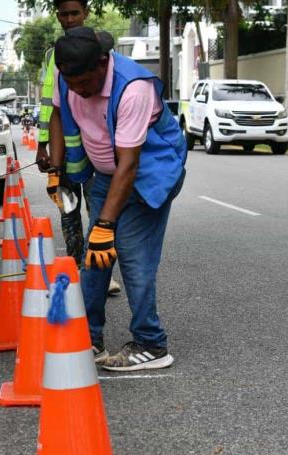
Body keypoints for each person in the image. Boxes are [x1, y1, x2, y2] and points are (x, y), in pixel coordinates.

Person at [48, 27, 187, 370]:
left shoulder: (133, 89)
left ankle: (151, 343)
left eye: (85, 84)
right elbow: (56, 115)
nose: (79, 92)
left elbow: (130, 164)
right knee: (94, 257)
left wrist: (106, 223)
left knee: (130, 253)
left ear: (102, 63)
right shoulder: (67, 74)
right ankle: (87, 336)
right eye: (73, 84)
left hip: (149, 174)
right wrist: (56, 169)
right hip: (109, 174)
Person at [36, 0, 121, 296]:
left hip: (97, 149)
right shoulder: (53, 55)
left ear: (85, 13)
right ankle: (74, 268)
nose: (69, 18)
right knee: (68, 209)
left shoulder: (102, 48)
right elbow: (50, 105)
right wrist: (43, 145)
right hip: (66, 149)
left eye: (74, 13)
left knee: (97, 211)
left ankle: (98, 271)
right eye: (63, 14)